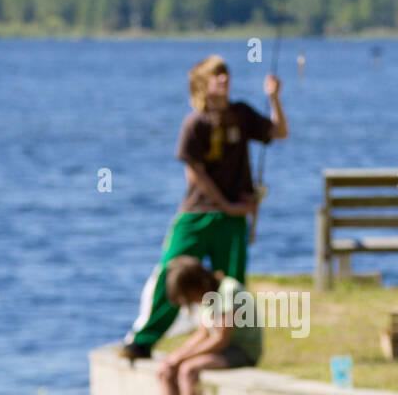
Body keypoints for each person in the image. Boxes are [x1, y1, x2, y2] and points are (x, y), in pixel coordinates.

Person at [120, 55, 287, 361]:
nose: (224, 80)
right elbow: (194, 172)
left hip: (233, 216)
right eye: (216, 76)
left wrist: (274, 99)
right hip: (198, 214)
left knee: (231, 286)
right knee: (173, 273)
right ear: (201, 84)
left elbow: (278, 132)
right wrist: (225, 204)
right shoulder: (194, 123)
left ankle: (233, 342)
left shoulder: (241, 114)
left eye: (226, 74)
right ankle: (143, 340)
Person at [143, 256, 262, 395]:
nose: (193, 302)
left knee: (188, 370)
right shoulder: (209, 295)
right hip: (223, 348)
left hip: (241, 351)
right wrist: (174, 357)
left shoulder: (228, 290)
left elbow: (220, 339)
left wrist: (182, 359)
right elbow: (203, 332)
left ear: (196, 284)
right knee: (167, 369)